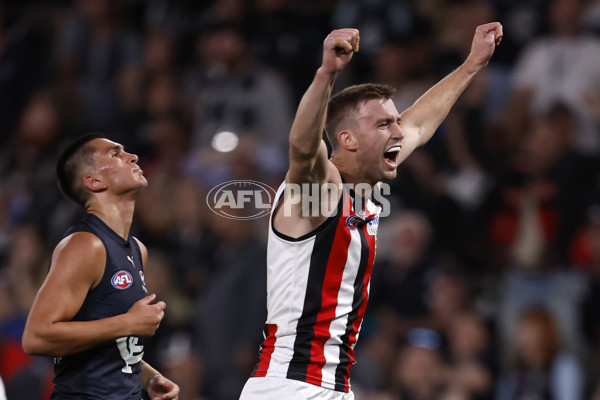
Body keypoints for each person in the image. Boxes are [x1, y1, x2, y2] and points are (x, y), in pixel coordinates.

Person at [240, 23, 502, 399]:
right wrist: (327, 73)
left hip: (328, 386)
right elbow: (301, 146)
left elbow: (420, 125)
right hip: (291, 386)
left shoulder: (365, 187)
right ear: (346, 139)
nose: (398, 132)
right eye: (384, 124)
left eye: (394, 122)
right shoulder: (321, 187)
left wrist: (472, 64)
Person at [21, 133, 179, 399]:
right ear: (94, 181)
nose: (133, 156)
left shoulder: (137, 249)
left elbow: (107, 343)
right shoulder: (84, 245)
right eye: (115, 154)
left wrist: (149, 377)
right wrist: (128, 322)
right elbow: (36, 336)